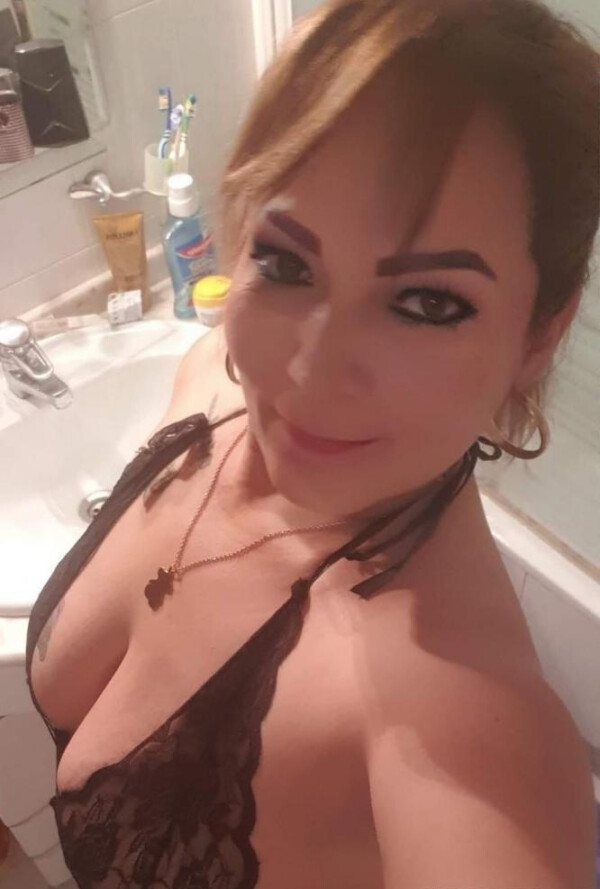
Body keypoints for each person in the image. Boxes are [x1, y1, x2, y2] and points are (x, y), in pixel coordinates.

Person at [25, 0, 599, 887]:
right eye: (287, 262)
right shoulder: (209, 380)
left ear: (538, 335)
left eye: (428, 303)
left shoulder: (467, 727)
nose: (310, 370)